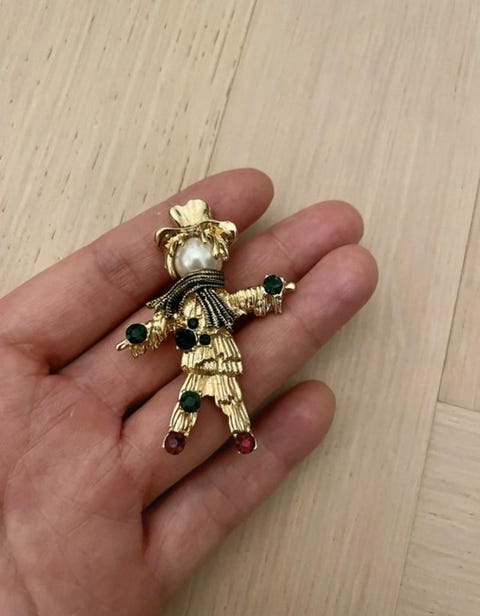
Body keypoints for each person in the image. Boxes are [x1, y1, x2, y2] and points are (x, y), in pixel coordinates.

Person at [0, 168, 377, 615]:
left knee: (228, 393)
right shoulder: (178, 302)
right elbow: (162, 324)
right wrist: (142, 335)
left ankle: (235, 433)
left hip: (221, 351)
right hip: (196, 355)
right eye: (185, 250)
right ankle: (188, 434)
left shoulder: (217, 295)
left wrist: (269, 293)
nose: (194, 257)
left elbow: (239, 302)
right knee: (192, 395)